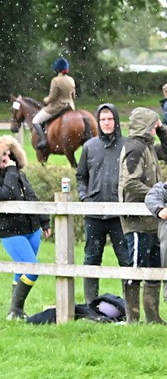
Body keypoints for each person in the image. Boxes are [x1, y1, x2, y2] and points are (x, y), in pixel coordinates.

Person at [0, 135, 51, 320]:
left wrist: (44, 221)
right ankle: (15, 309)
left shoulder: (17, 173)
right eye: (2, 155)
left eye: (8, 154)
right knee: (32, 269)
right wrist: (10, 170)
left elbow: (31, 197)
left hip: (32, 229)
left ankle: (15, 312)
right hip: (11, 232)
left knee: (21, 269)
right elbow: (7, 194)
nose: (6, 158)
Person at [75, 103, 132, 303]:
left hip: (120, 215)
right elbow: (81, 176)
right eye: (102, 119)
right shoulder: (90, 146)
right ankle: (92, 306)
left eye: (110, 119)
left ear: (116, 120)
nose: (106, 123)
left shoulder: (127, 145)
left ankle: (130, 309)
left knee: (126, 260)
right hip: (94, 214)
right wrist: (84, 197)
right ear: (98, 122)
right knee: (91, 259)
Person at [118, 107, 166, 323]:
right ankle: (133, 318)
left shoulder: (148, 147)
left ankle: (153, 317)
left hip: (152, 219)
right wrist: (156, 195)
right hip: (137, 220)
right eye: (154, 125)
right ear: (145, 126)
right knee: (136, 268)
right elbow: (129, 182)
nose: (156, 129)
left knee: (155, 267)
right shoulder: (135, 148)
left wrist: (162, 131)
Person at [31, 57, 76, 151]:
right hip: (70, 106)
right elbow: (73, 96)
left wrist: (45, 100)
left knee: (36, 120)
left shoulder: (55, 80)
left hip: (58, 108)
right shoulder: (71, 79)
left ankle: (43, 141)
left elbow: (52, 97)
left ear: (57, 69)